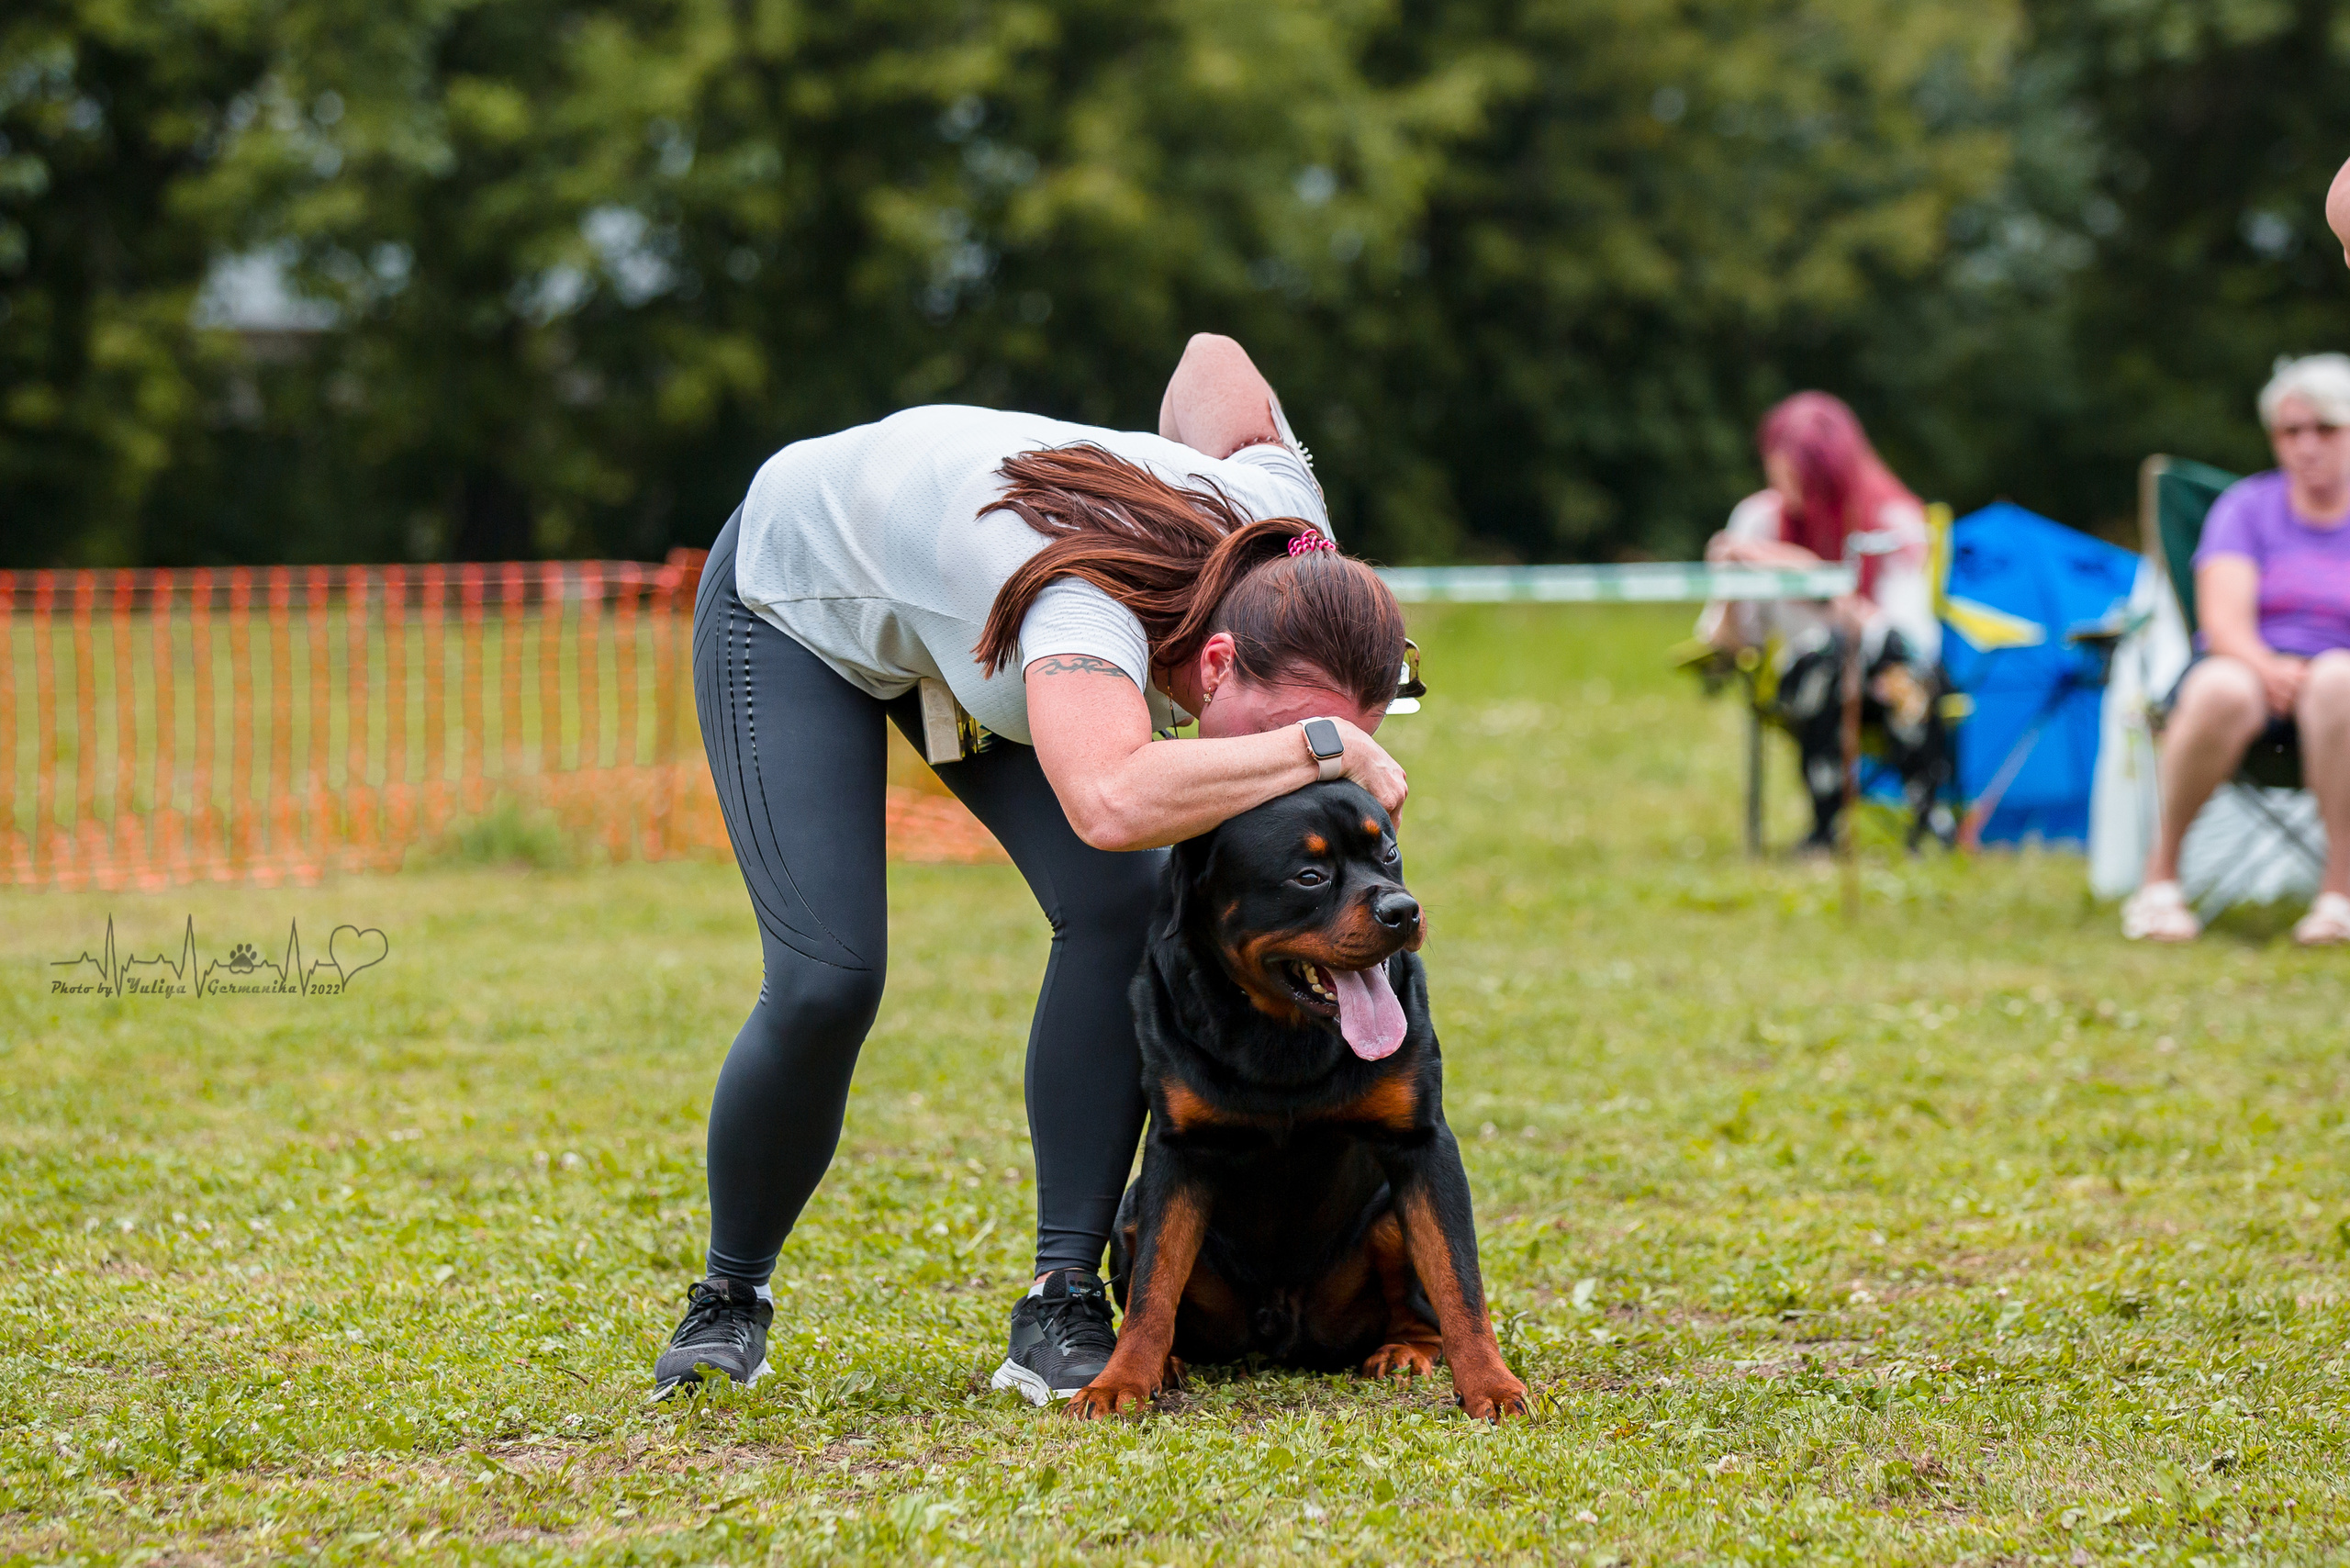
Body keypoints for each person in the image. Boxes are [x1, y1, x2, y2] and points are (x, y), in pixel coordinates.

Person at [657, 333, 1413, 1404]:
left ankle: (1061, 1300)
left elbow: (1212, 360)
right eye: (1290, 733)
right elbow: (1108, 799)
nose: (1297, 776)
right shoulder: (1082, 610)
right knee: (829, 977)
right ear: (1215, 662)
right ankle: (729, 1297)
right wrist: (1325, 747)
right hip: (802, 592)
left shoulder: (1289, 551)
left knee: (1128, 905)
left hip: (968, 611)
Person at [2122, 353, 2350, 946]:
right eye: (2290, 431)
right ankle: (2161, 877)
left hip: (2340, 688)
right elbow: (2221, 620)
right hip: (2249, 669)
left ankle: (2340, 894)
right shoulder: (2245, 508)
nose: (2306, 445)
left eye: (2325, 429)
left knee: (2337, 681)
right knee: (2220, 686)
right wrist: (2266, 666)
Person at [1697, 392, 1951, 850]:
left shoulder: (1892, 519)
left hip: (1886, 674)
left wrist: (1806, 575)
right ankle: (1828, 827)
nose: (1790, 493)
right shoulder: (1756, 522)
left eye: (1804, 480)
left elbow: (1906, 639)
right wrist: (1731, 586)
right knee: (1823, 665)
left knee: (1895, 672)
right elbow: (1727, 646)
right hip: (1814, 683)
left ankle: (1926, 822)